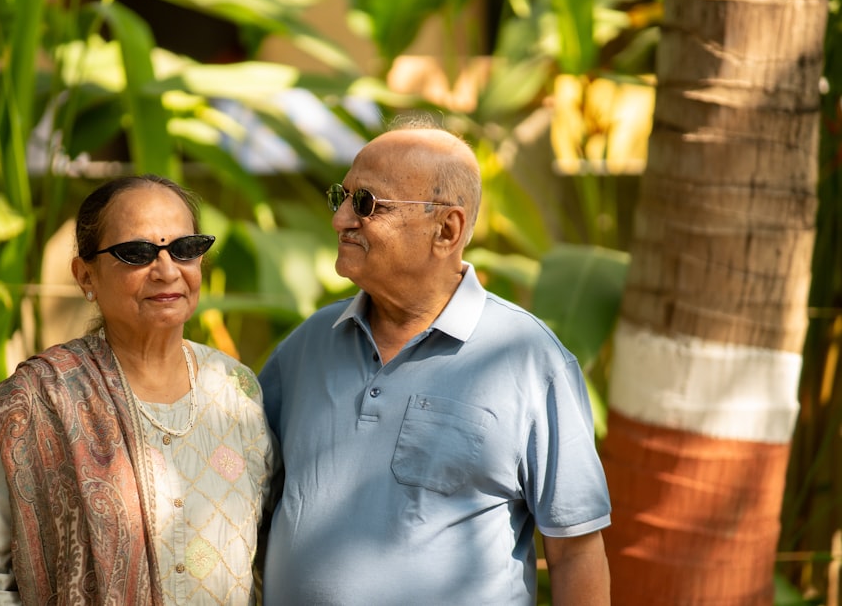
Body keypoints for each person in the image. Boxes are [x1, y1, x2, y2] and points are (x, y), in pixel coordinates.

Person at [259, 121, 612, 605]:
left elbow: (575, 553)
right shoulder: (307, 346)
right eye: (341, 197)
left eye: (365, 203)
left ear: (446, 229)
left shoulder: (529, 360)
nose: (341, 218)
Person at [0, 174, 277, 605]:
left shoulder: (237, 390)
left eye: (184, 249)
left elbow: (270, 552)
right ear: (85, 275)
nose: (166, 270)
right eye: (137, 253)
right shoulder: (35, 403)